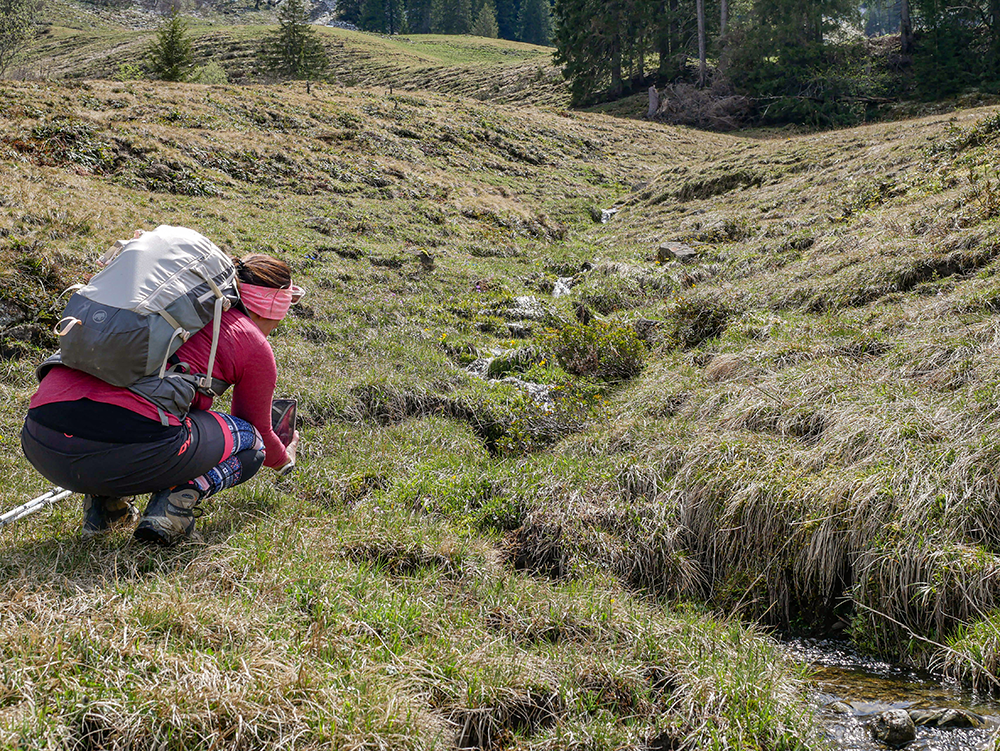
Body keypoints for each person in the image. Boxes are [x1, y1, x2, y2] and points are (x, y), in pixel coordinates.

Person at [20, 250, 303, 546]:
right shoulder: (249, 339)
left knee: (124, 402)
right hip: (123, 455)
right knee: (250, 440)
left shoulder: (160, 311)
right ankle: (171, 509)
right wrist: (285, 459)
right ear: (273, 307)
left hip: (41, 441)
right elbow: (257, 428)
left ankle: (105, 510)